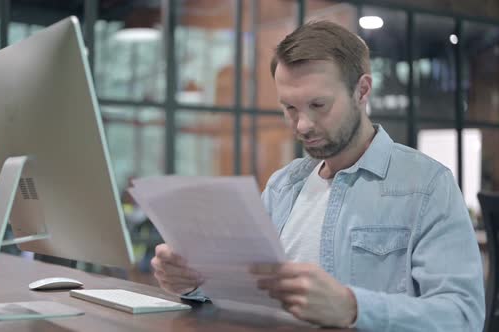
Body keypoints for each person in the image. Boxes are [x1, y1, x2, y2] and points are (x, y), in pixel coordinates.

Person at [150, 21, 485, 331]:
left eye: (318, 105)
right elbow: (246, 293)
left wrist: (353, 308)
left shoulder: (426, 186)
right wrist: (194, 281)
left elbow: (462, 316)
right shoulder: (283, 185)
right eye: (290, 108)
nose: (302, 125)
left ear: (362, 91)